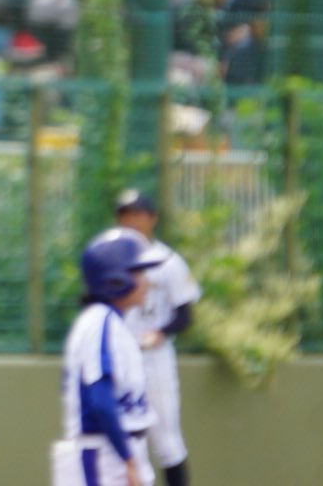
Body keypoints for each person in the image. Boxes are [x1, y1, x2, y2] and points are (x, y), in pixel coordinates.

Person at [53, 228, 162, 486]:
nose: (147, 282)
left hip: (116, 450)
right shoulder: (99, 322)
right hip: (102, 455)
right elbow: (101, 400)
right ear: (115, 279)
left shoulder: (113, 322)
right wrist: (128, 460)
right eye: (138, 272)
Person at [116, 191, 201, 486]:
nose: (131, 221)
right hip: (121, 360)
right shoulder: (111, 260)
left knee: (167, 442)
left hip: (155, 360)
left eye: (137, 214)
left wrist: (161, 333)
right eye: (125, 214)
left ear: (152, 218)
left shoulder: (168, 261)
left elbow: (186, 315)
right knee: (128, 445)